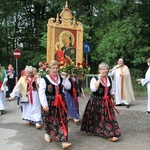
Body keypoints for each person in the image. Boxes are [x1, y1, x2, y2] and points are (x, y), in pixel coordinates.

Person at [81, 62, 121, 142]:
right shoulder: (94, 79)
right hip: (96, 101)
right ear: (99, 70)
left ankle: (110, 134)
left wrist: (114, 99)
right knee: (95, 117)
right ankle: (94, 130)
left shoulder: (109, 79)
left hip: (106, 101)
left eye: (106, 69)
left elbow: (112, 90)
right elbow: (93, 89)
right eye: (103, 69)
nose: (105, 71)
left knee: (108, 118)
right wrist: (99, 79)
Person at [38, 60, 72, 149]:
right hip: (49, 103)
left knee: (62, 120)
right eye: (53, 68)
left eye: (56, 68)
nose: (55, 70)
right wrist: (44, 104)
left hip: (61, 103)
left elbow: (68, 87)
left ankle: (64, 141)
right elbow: (41, 92)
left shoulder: (61, 78)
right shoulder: (44, 79)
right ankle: (47, 133)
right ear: (49, 69)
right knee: (48, 119)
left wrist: (65, 78)